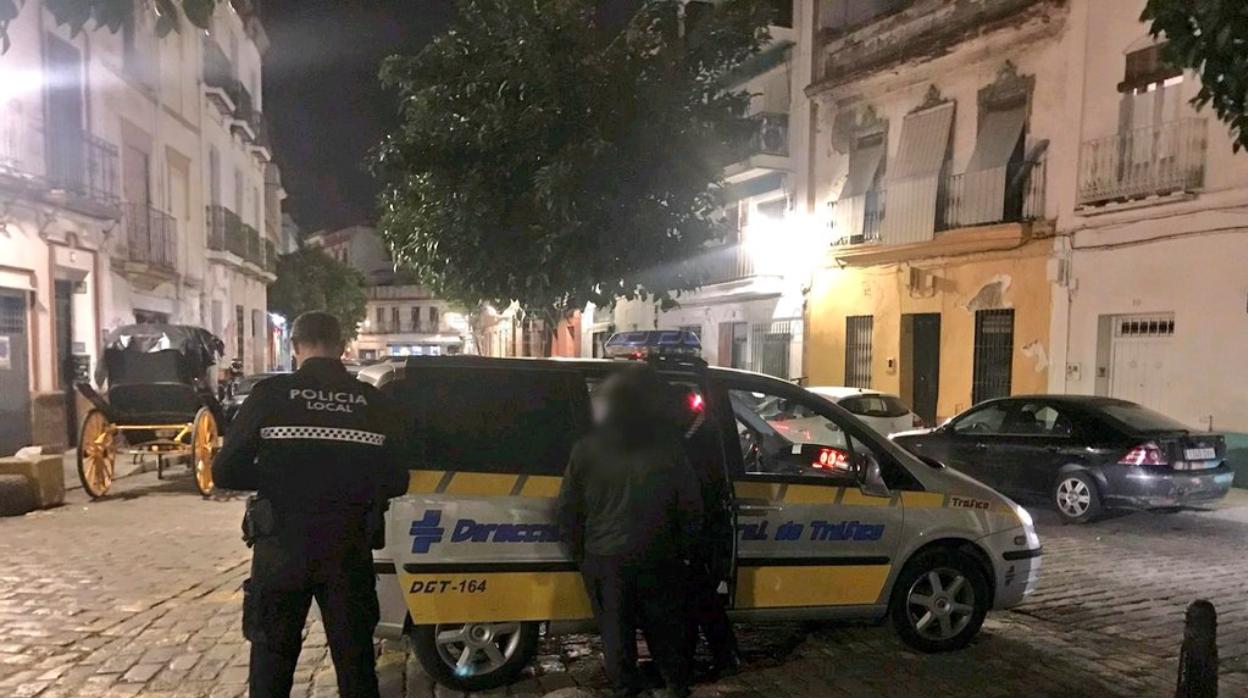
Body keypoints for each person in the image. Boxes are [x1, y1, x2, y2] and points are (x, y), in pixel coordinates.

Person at [213, 311, 408, 698]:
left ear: (294, 347)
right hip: (347, 551)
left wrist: (281, 478)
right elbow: (397, 479)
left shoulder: (269, 396)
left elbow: (226, 472)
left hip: (281, 550)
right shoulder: (372, 403)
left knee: (272, 660)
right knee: (356, 665)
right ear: (341, 346)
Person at [555, 365, 703, 698]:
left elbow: (567, 508)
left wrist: (579, 552)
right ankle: (676, 684)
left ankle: (625, 688)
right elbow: (690, 505)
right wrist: (684, 549)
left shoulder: (586, 449)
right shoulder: (667, 448)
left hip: (604, 557)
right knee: (664, 627)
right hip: (657, 553)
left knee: (615, 631)